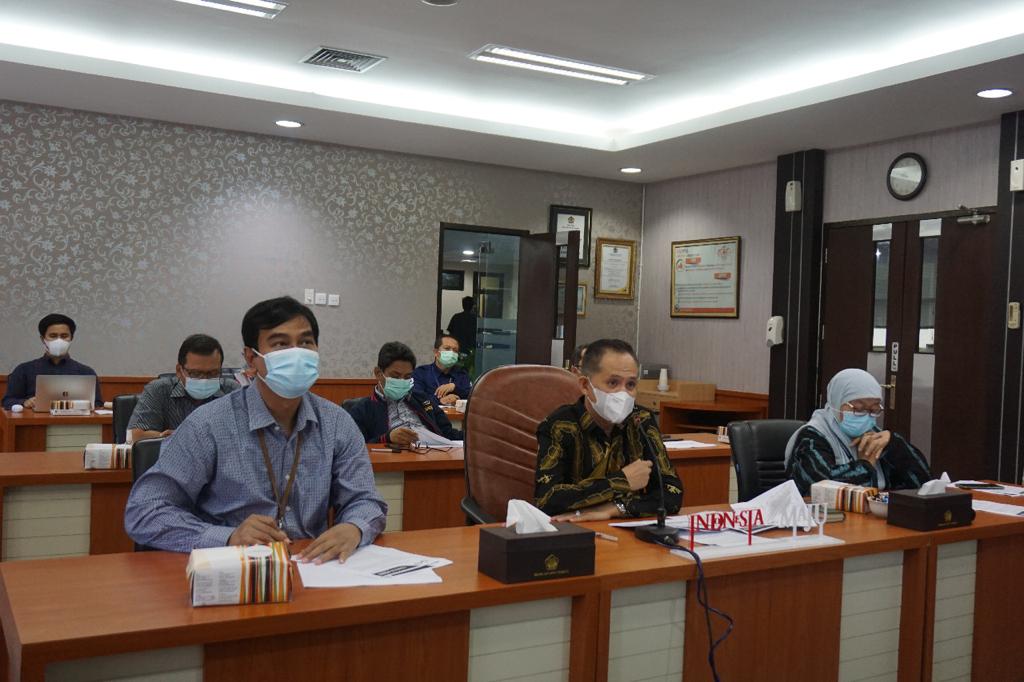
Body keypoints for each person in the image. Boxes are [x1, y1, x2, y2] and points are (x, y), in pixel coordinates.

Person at [124, 296, 387, 563]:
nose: (296, 353)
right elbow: (145, 511)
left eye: (306, 342)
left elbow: (366, 500)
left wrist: (354, 527)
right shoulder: (207, 425)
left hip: (311, 566)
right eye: (280, 344)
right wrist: (226, 537)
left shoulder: (338, 423)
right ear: (251, 358)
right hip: (232, 567)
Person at [534, 338, 683, 520]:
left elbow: (672, 493)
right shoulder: (560, 425)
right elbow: (546, 499)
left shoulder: (641, 420)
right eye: (613, 383)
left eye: (630, 385)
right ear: (585, 385)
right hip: (573, 529)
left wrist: (614, 509)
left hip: (624, 530)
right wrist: (621, 481)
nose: (623, 394)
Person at [785, 368, 931, 495]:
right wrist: (865, 466)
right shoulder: (811, 437)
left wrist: (894, 445)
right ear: (837, 402)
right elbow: (819, 487)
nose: (866, 416)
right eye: (858, 409)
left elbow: (922, 483)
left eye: (873, 409)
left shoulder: (875, 436)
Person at [127, 333, 239, 442]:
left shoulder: (232, 391)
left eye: (213, 373)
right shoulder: (159, 390)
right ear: (179, 371)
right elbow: (135, 435)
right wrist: (166, 437)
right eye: (195, 373)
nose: (204, 379)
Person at [346, 341, 463, 446]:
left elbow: (447, 433)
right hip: (394, 459)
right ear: (378, 373)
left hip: (433, 454)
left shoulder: (422, 399)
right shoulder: (362, 409)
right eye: (395, 376)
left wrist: (472, 436)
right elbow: (355, 448)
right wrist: (387, 438)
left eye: (407, 376)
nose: (401, 381)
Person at [3, 313, 102, 409]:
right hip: (35, 419)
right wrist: (25, 402)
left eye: (64, 336)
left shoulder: (86, 372)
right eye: (53, 336)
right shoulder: (24, 370)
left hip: (74, 420)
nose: (59, 340)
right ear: (43, 339)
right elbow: (7, 401)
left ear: (71, 338)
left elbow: (97, 404)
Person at [412, 335, 472, 405]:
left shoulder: (462, 374)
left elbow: (471, 396)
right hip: (430, 412)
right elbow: (417, 399)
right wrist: (440, 400)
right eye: (447, 348)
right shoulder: (421, 373)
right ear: (436, 352)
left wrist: (455, 387)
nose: (451, 353)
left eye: (455, 350)